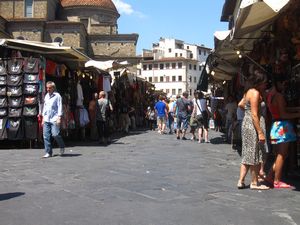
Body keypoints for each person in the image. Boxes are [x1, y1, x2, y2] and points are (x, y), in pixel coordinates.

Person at [265, 76, 300, 188]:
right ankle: (277, 180)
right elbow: (283, 114)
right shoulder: (279, 96)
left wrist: (296, 109)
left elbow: (280, 110)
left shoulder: (271, 94)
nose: (285, 86)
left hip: (276, 125)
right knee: (282, 154)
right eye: (284, 84)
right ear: (278, 83)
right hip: (282, 127)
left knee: (280, 154)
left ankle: (270, 176)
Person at [237, 70, 269, 190]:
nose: (266, 84)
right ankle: (254, 183)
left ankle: (241, 181)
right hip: (253, 125)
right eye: (264, 82)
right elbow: (255, 115)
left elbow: (240, 104)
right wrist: (260, 132)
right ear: (259, 82)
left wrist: (247, 110)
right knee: (255, 153)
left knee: (248, 153)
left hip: (247, 123)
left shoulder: (248, 92)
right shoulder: (255, 93)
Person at [42, 81, 65, 158]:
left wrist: (59, 117)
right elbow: (44, 108)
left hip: (54, 118)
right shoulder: (46, 96)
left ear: (53, 88)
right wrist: (43, 118)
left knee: (55, 134)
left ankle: (62, 146)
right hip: (46, 119)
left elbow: (59, 106)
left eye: (49, 88)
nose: (48, 89)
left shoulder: (57, 96)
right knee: (46, 136)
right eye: (47, 88)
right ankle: (48, 152)